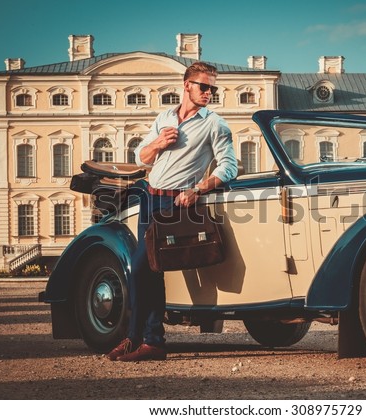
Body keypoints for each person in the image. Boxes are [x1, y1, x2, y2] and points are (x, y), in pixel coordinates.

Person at [106, 61, 238, 362]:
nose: (209, 92)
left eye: (212, 88)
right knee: (151, 271)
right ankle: (151, 343)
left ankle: (135, 338)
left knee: (140, 268)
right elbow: (142, 156)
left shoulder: (215, 124)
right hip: (148, 198)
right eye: (203, 86)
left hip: (174, 204)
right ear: (187, 85)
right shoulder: (164, 116)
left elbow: (230, 166)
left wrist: (198, 189)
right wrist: (158, 142)